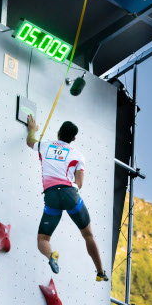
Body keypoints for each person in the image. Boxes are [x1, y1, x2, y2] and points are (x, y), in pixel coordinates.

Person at [26, 115, 108, 282]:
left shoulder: (45, 145)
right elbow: (79, 183)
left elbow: (30, 141)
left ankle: (51, 256)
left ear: (58, 133)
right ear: (73, 138)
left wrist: (32, 130)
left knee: (43, 238)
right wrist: (72, 192)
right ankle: (100, 272)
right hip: (70, 194)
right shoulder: (78, 155)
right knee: (88, 235)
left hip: (51, 196)